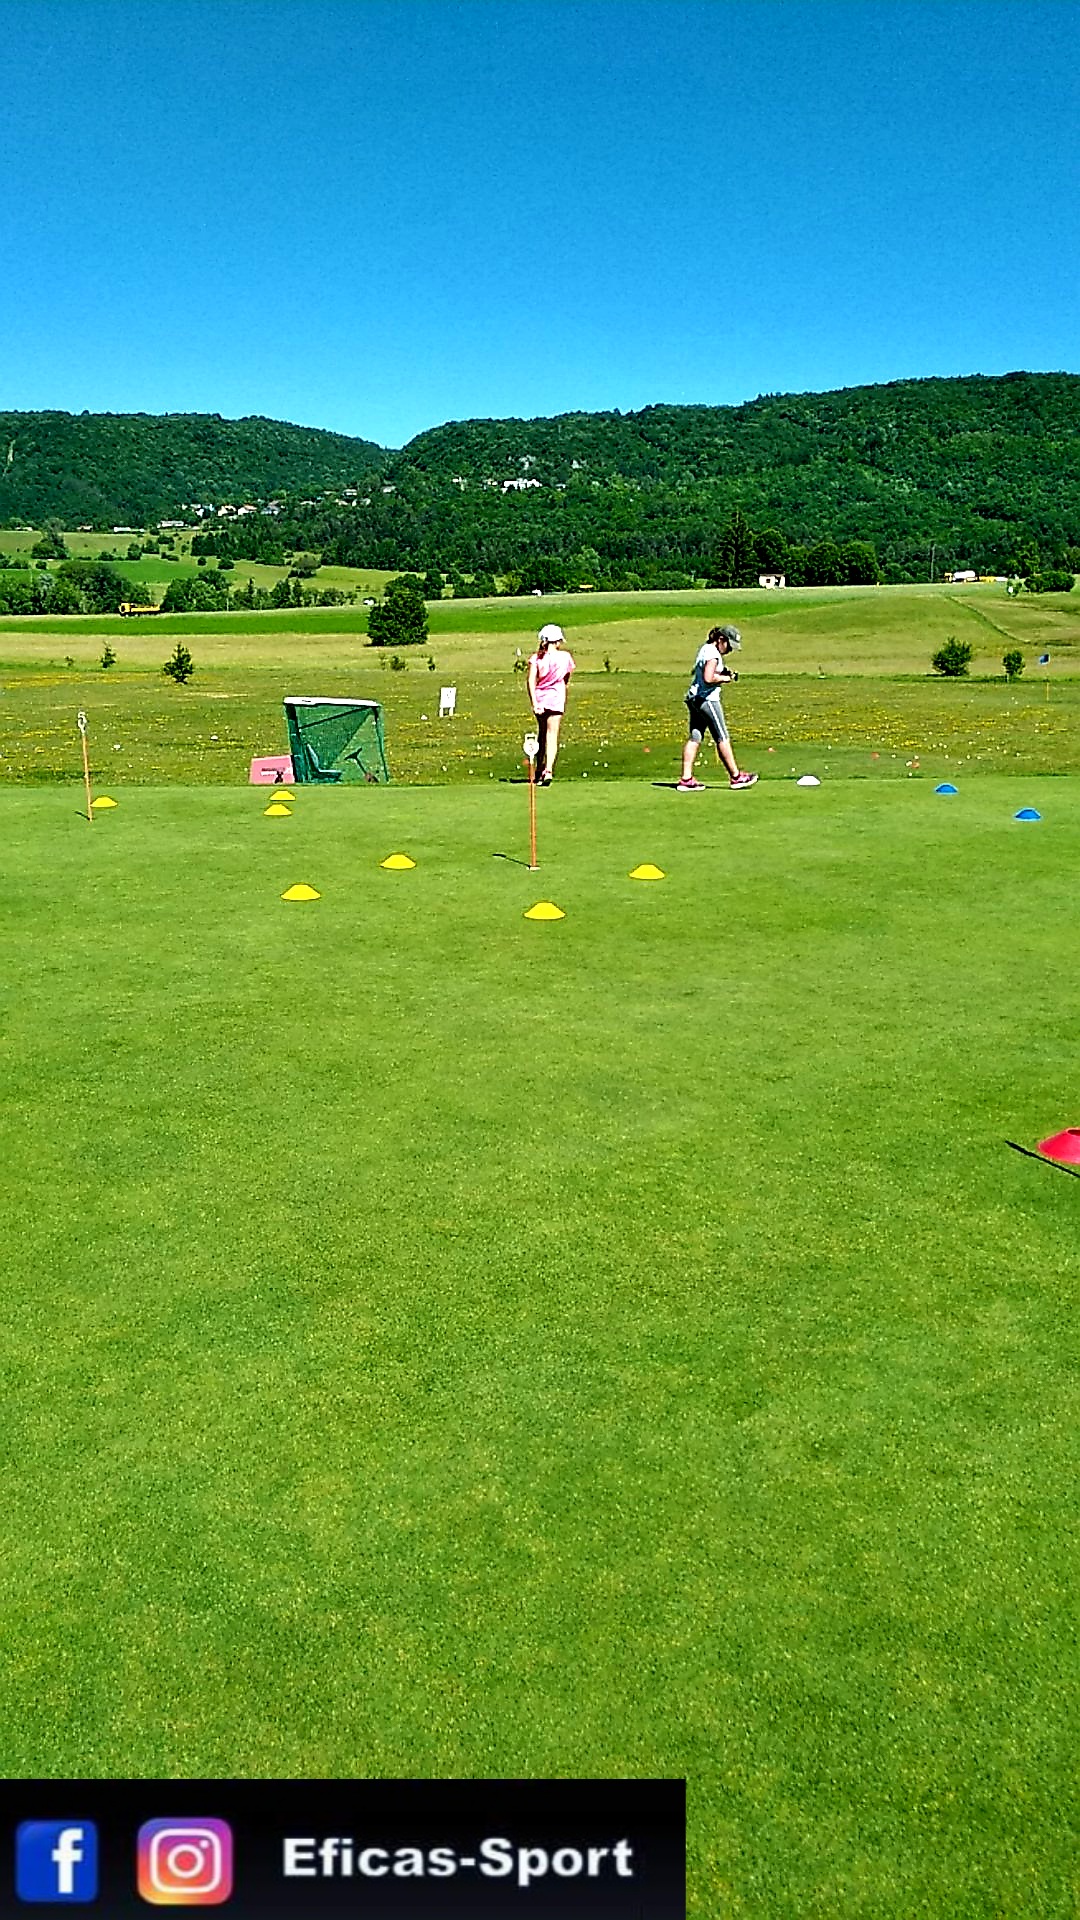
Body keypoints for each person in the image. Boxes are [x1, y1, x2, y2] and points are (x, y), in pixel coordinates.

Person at [678, 625, 758, 791]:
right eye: (729, 646)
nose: (729, 650)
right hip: (707, 700)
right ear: (721, 640)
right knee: (722, 737)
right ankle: (736, 777)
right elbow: (708, 678)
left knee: (695, 737)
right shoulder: (713, 654)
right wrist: (725, 678)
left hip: (694, 698)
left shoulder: (705, 649)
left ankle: (686, 779)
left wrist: (722, 673)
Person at [526, 624, 576, 784]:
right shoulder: (565, 657)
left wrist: (534, 702)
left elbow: (531, 681)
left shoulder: (536, 658)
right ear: (557, 641)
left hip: (541, 697)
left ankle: (539, 769)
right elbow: (566, 678)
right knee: (552, 734)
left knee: (542, 733)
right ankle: (548, 770)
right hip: (556, 697)